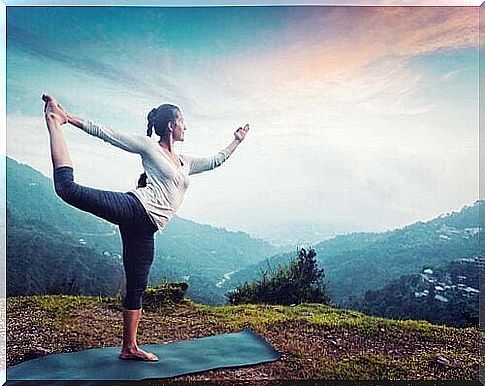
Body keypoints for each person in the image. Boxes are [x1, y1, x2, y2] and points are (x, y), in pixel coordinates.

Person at [42, 94, 249, 361]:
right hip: (134, 207)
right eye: (183, 121)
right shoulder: (150, 148)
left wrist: (237, 140)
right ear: (171, 126)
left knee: (137, 287)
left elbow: (217, 160)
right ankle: (53, 122)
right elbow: (108, 134)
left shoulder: (186, 162)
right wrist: (67, 118)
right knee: (67, 189)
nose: (186, 126)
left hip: (146, 228)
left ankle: (129, 348)